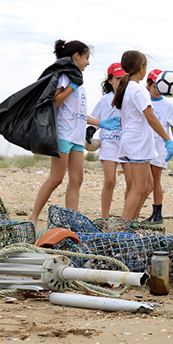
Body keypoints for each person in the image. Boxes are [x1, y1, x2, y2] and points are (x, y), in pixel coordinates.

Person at [28, 40, 122, 227]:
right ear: (76, 56)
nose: (88, 62)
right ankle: (33, 216)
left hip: (77, 137)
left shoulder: (78, 81)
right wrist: (72, 85)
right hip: (63, 134)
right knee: (56, 178)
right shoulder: (64, 76)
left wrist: (101, 123)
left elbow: (79, 114)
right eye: (86, 57)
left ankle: (71, 222)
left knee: (77, 179)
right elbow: (54, 102)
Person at [112, 51, 173, 220]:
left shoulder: (127, 88)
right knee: (138, 188)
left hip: (135, 141)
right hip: (137, 142)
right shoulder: (139, 89)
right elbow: (151, 117)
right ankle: (121, 230)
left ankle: (129, 224)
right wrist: (168, 140)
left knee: (147, 186)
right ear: (141, 68)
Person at [88, 63, 133, 219]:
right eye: (118, 78)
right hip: (109, 142)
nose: (121, 81)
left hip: (126, 143)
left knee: (131, 182)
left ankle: (126, 217)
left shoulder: (130, 97)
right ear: (110, 80)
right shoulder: (105, 100)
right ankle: (105, 218)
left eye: (124, 78)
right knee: (110, 180)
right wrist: (90, 132)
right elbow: (94, 119)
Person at [143, 69, 173, 224]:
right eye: (154, 87)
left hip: (159, 149)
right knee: (142, 182)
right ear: (148, 85)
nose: (157, 91)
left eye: (160, 88)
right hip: (143, 146)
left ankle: (157, 213)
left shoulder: (168, 106)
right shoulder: (143, 100)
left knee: (155, 181)